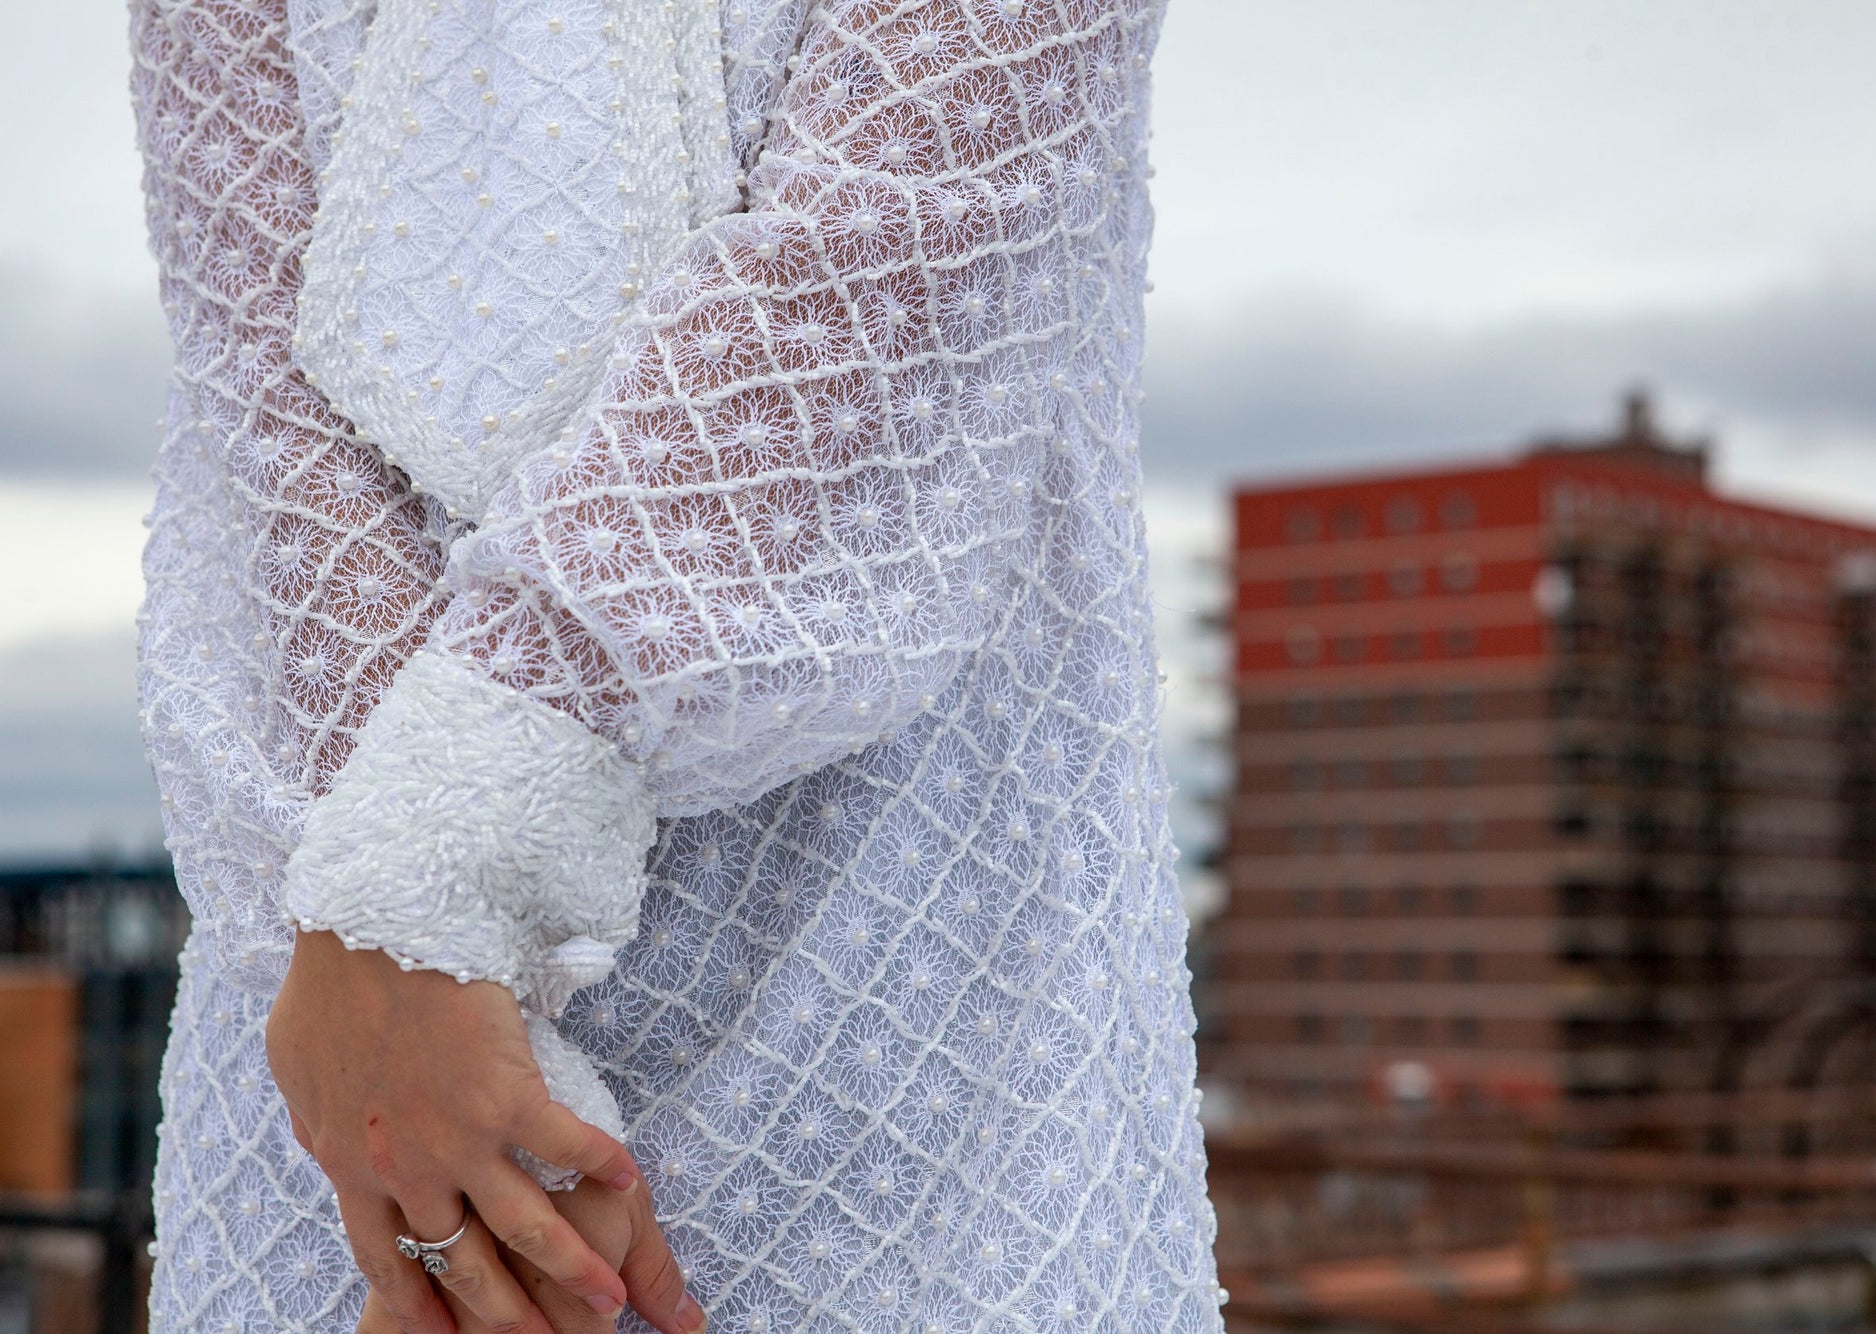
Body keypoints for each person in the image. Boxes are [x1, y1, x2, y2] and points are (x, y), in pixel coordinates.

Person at [130, 0, 1223, 1329]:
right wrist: (401, 950)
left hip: (879, 973)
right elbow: (257, 382)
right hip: (349, 1048)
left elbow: (882, 272)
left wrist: (426, 885)